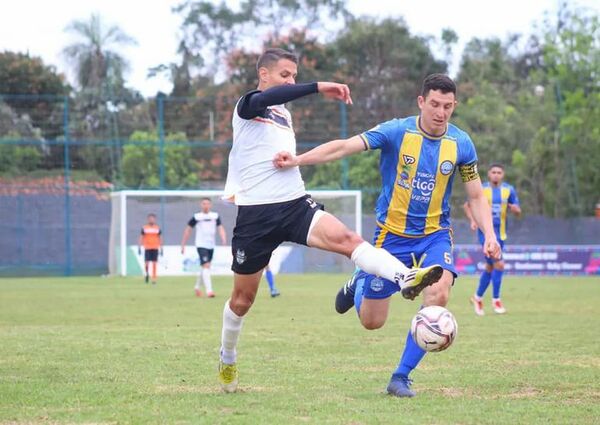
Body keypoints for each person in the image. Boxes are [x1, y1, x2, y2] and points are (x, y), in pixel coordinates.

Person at [218, 48, 443, 393]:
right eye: (285, 74)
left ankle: (406, 276)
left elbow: (275, 144)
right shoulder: (247, 106)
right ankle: (228, 355)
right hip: (255, 216)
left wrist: (291, 160)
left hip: (294, 204)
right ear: (263, 75)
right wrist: (318, 85)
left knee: (349, 240)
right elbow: (273, 96)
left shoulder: (283, 116)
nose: (290, 81)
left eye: (295, 75)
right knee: (242, 300)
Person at [274, 73, 500, 398]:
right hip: (391, 237)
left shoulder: (461, 144)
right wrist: (299, 159)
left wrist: (489, 235)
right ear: (421, 102)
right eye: (435, 104)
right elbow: (345, 146)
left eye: (448, 106)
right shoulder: (396, 131)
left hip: (436, 234)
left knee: (438, 295)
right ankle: (358, 283)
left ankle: (400, 377)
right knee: (372, 321)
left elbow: (476, 196)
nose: (441, 112)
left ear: (454, 106)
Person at [464, 163, 520, 315]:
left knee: (490, 267)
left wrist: (515, 210)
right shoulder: (482, 189)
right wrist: (473, 220)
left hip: (501, 235)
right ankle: (496, 300)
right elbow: (467, 205)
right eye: (493, 172)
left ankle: (477, 297)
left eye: (499, 172)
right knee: (499, 265)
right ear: (489, 174)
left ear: (503, 174)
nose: (496, 174)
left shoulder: (509, 190)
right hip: (485, 234)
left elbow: (517, 209)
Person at [180, 198, 227, 298]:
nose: (206, 205)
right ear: (201, 205)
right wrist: (183, 244)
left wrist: (223, 238)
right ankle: (209, 291)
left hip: (211, 245)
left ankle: (197, 287)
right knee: (206, 265)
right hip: (201, 245)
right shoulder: (197, 217)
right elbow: (188, 230)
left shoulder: (215, 216)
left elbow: (220, 228)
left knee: (205, 267)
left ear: (210, 205)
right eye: (204, 203)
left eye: (207, 203)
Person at [138, 213, 162, 285]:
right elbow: (141, 237)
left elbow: (160, 238)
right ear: (148, 219)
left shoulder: (157, 228)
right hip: (147, 247)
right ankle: (147, 274)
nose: (151, 220)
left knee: (154, 264)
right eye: (150, 218)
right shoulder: (144, 228)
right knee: (147, 263)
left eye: (153, 218)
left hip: (155, 247)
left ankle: (154, 279)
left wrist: (161, 247)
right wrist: (139, 246)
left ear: (155, 219)